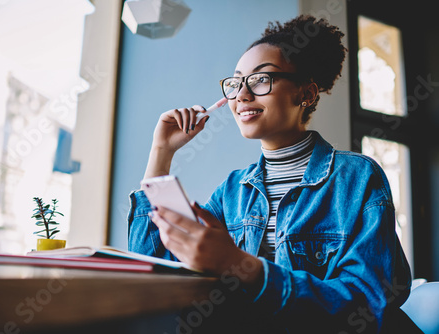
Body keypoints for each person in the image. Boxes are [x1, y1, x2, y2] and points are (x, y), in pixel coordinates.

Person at [128, 15, 415, 333]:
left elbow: (368, 302)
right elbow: (151, 268)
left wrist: (241, 266)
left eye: (261, 80)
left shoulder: (357, 177)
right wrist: (162, 153)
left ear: (305, 93)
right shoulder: (233, 190)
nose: (242, 96)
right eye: (236, 83)